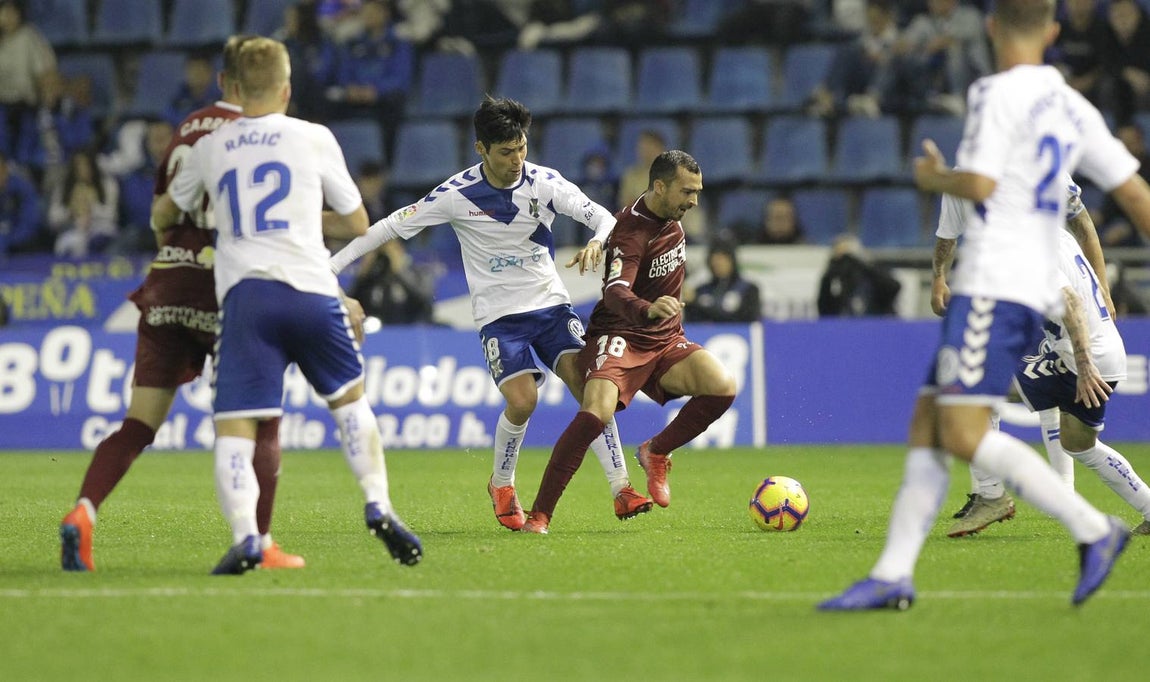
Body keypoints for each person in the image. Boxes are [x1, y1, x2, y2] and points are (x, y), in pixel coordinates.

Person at [819, 0, 1150, 612]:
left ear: (993, 30)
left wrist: (934, 179)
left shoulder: (995, 94)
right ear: (1052, 33)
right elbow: (1132, 194)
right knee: (930, 420)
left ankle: (1090, 528)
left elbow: (979, 187)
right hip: (1023, 290)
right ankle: (893, 573)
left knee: (961, 430)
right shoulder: (1073, 107)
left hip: (999, 283)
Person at [153, 36, 421, 574]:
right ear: (286, 88)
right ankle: (378, 504)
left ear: (231, 88)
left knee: (234, 428)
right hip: (312, 290)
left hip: (248, 297)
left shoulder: (211, 147)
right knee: (350, 403)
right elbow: (356, 224)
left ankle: (248, 536)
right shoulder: (313, 137)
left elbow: (164, 215)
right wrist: (303, 217)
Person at [330, 95, 652, 531]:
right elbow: (387, 227)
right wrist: (328, 268)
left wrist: (597, 239)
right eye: (506, 151)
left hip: (551, 306)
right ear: (481, 149)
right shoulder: (456, 194)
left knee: (591, 385)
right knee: (523, 401)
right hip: (500, 318)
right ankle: (502, 483)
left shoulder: (544, 182)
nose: (518, 159)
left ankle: (621, 488)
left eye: (522, 147)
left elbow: (605, 217)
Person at [59, 36, 306, 573]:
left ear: (222, 82)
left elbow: (159, 216)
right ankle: (259, 543)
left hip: (166, 283)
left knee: (138, 425)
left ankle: (83, 511)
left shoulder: (188, 129)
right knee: (257, 422)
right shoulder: (261, 135)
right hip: (227, 286)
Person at [521, 150, 738, 534]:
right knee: (595, 413)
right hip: (620, 333)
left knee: (722, 386)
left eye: (698, 192)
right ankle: (540, 514)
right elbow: (617, 291)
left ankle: (656, 451)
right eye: (688, 192)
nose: (694, 201)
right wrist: (648, 309)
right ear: (659, 186)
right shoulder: (630, 232)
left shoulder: (672, 218)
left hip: (665, 339)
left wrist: (661, 316)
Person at [934, 179, 1150, 538]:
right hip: (1102, 351)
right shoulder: (1055, 234)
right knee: (1079, 445)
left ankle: (991, 495)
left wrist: (1082, 366)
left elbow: (1070, 305)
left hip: (1083, 358)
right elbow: (1083, 236)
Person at [326, 0, 412, 166]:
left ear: (385, 14)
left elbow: (401, 78)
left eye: (374, 12)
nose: (369, 16)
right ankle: (334, 163)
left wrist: (376, 91)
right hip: (356, 97)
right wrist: (350, 89)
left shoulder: (398, 43)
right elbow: (344, 73)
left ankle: (386, 166)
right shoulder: (353, 42)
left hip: (382, 99)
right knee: (328, 102)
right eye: (366, 12)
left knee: (395, 102)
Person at [49, 149, 119, 258]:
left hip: (101, 229)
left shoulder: (108, 185)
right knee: (66, 244)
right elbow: (53, 219)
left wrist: (91, 207)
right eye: (78, 165)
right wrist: (71, 211)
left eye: (86, 165)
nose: (82, 169)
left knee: (93, 242)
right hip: (72, 229)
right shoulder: (64, 188)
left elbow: (112, 215)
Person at [816, 233, 901, 316]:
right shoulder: (839, 284)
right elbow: (823, 310)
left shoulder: (876, 276)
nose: (847, 263)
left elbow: (894, 287)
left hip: (876, 325)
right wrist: (831, 272)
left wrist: (861, 264)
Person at [684, 241, 762, 323]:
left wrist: (697, 302)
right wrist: (690, 304)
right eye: (714, 260)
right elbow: (692, 323)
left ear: (732, 260)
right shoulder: (701, 290)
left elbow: (748, 320)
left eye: (722, 259)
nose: (718, 263)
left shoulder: (749, 290)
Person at [0, 147, 44, 258]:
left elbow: (30, 223)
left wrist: (6, 241)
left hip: (18, 247)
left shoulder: (23, 188)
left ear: (5, 168)